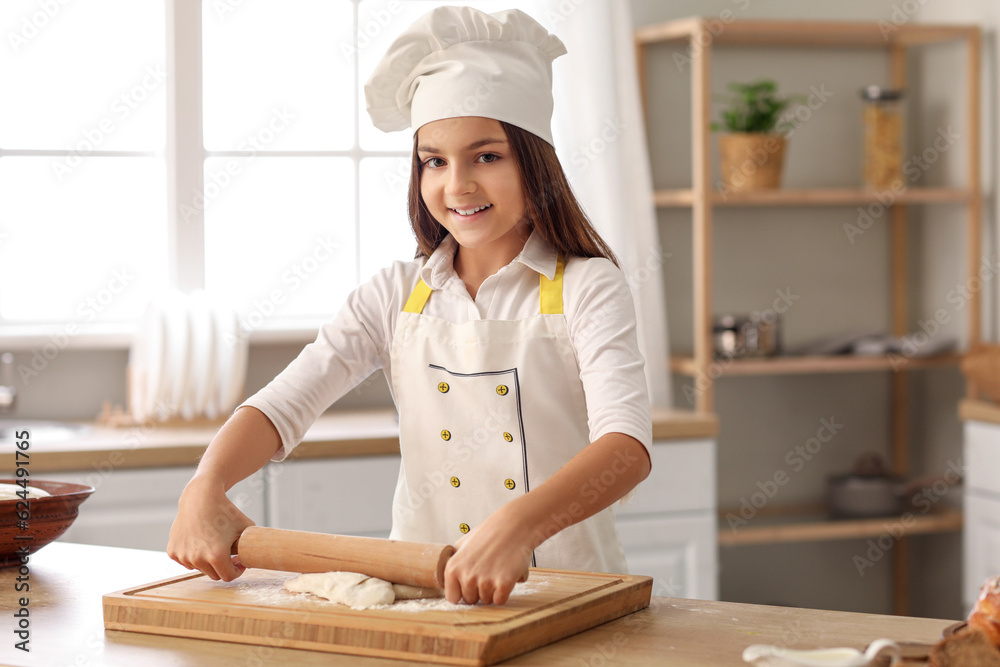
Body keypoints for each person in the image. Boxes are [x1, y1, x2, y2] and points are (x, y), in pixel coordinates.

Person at [168, 5, 652, 606]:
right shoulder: (394, 294)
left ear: (536, 163)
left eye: (487, 156)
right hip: (421, 593)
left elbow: (626, 448)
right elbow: (285, 403)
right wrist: (205, 485)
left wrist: (517, 525)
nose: (457, 185)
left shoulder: (587, 285)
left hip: (565, 593)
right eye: (434, 161)